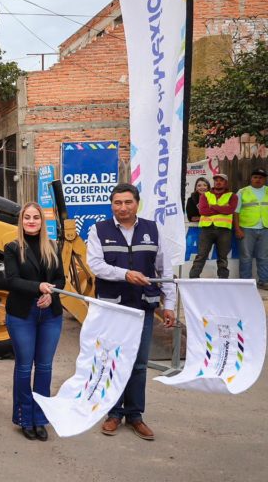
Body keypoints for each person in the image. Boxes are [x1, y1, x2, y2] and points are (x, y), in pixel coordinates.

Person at [86, 183, 176, 441]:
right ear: (111, 205)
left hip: (143, 307)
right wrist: (125, 274)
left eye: (128, 202)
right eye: (117, 203)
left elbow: (165, 270)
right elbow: (95, 265)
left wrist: (169, 305)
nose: (123, 207)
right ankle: (114, 413)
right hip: (112, 307)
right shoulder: (98, 230)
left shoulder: (153, 230)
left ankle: (135, 415)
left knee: (138, 363)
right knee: (112, 359)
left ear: (137, 203)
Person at [3, 202, 65, 442]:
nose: (31, 221)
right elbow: (12, 280)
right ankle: (24, 417)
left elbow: (60, 279)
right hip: (22, 314)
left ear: (42, 221)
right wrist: (39, 287)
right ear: (21, 221)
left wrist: (51, 294)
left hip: (50, 315)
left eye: (35, 217)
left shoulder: (52, 246)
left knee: (45, 367)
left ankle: (40, 418)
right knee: (24, 367)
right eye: (27, 217)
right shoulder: (12, 248)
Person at [189, 174, 236, 279]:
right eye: (216, 180)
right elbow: (203, 211)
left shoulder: (232, 196)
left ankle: (223, 280)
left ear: (226, 183)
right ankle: (193, 279)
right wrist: (222, 208)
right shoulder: (205, 195)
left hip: (224, 230)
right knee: (201, 256)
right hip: (206, 229)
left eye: (221, 180)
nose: (218, 182)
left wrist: (213, 206)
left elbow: (230, 210)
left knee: (223, 258)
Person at [234, 168, 268, 288]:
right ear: (251, 178)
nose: (258, 179)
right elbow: (236, 212)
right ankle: (245, 282)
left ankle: (263, 281)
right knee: (246, 256)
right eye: (255, 177)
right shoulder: (242, 192)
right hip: (246, 228)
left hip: (265, 228)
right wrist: (237, 229)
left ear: (265, 179)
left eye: (261, 177)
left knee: (264, 257)